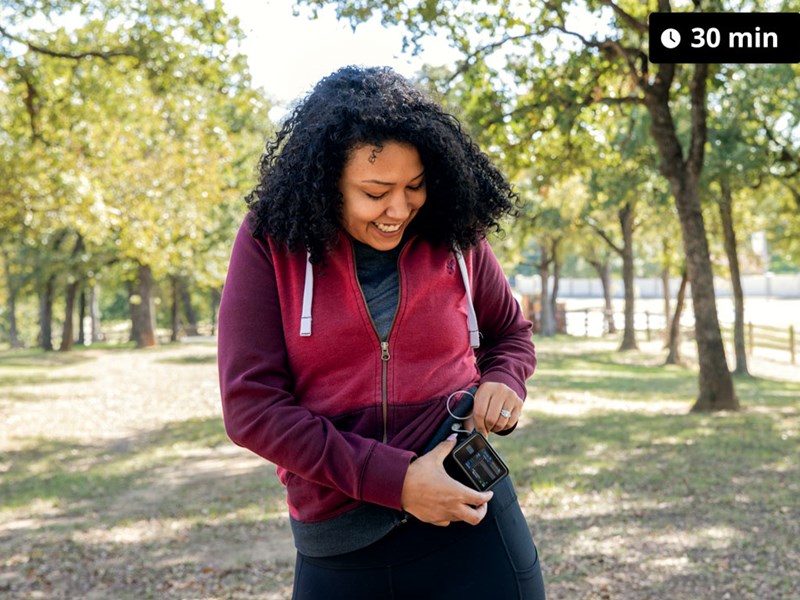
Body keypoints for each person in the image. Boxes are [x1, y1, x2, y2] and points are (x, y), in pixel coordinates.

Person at [217, 65, 545, 599]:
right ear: (326, 183)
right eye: (375, 191)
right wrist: (399, 482)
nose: (399, 209)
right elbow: (251, 407)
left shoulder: (454, 233)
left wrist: (506, 378)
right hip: (342, 543)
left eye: (414, 186)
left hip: (472, 520)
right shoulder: (269, 242)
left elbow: (509, 332)